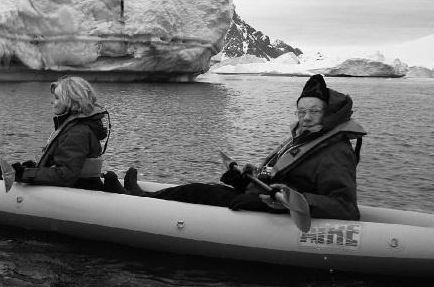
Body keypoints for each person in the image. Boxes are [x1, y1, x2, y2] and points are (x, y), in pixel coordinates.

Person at [108, 74, 366, 220]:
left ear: (329, 114)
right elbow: (283, 178)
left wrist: (289, 198)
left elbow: (345, 207)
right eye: (302, 111)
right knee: (204, 189)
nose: (306, 117)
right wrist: (245, 179)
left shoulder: (335, 151)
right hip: (265, 201)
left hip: (278, 211)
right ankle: (143, 197)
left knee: (201, 192)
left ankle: (140, 201)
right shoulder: (305, 140)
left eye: (313, 111)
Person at [0, 76, 115, 191]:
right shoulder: (77, 127)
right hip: (77, 183)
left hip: (76, 188)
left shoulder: (78, 132)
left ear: (72, 103)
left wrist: (27, 174)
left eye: (57, 98)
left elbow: (65, 175)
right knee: (1, 170)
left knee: (7, 173)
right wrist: (34, 167)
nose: (53, 102)